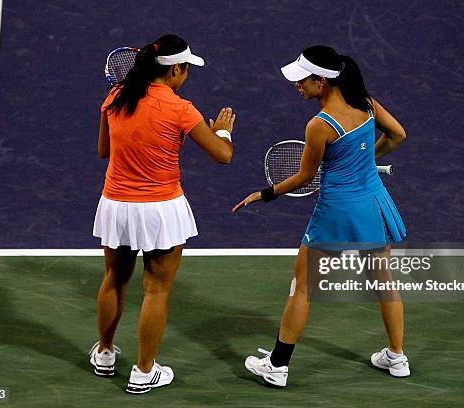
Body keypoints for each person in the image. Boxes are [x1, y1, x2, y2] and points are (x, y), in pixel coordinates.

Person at [232, 45, 408, 387]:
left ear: (322, 83)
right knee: (383, 283)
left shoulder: (319, 125)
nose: (297, 86)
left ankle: (277, 366)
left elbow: (304, 177)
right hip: (373, 205)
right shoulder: (367, 105)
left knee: (302, 287)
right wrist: (368, 158)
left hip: (336, 212)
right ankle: (396, 357)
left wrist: (265, 193)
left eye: (303, 80)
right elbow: (398, 134)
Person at [90, 34, 235, 394]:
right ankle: (143, 370)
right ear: (175, 71)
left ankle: (105, 353)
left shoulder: (115, 97)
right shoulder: (182, 109)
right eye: (186, 70)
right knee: (156, 291)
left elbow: (103, 150)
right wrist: (223, 131)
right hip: (160, 210)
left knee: (114, 278)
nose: (186, 76)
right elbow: (222, 155)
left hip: (117, 206)